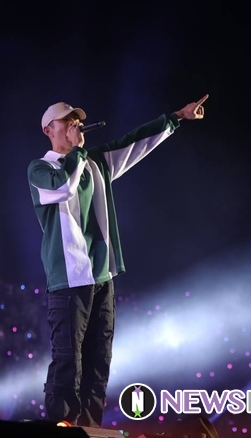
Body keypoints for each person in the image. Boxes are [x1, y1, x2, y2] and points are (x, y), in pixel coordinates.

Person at [27, 94, 209, 427]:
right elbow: (64, 187)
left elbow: (134, 143)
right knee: (68, 358)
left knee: (99, 359)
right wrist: (77, 151)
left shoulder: (95, 161)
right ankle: (62, 424)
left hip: (102, 277)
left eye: (77, 120)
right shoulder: (41, 169)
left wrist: (177, 117)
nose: (76, 124)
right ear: (49, 130)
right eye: (68, 120)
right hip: (68, 279)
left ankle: (90, 426)